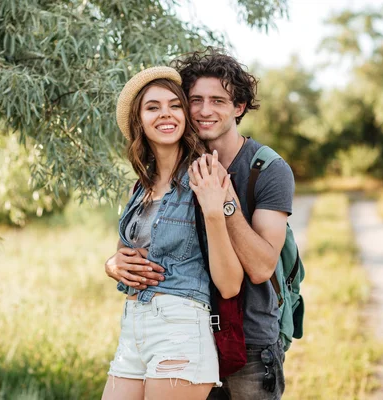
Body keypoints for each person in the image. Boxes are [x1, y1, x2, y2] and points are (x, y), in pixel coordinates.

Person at [106, 49, 295, 400]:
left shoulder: (265, 170)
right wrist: (113, 264)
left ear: (238, 107)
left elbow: (260, 268)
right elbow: (141, 250)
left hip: (248, 339)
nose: (205, 110)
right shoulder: (154, 180)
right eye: (195, 100)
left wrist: (221, 202)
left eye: (218, 100)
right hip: (166, 328)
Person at [102, 66, 245, 400]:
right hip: (133, 327)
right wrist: (112, 265)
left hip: (180, 328)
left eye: (174, 105)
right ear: (140, 120)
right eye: (153, 107)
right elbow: (126, 259)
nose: (165, 114)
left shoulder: (207, 173)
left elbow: (229, 283)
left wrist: (213, 211)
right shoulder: (141, 187)